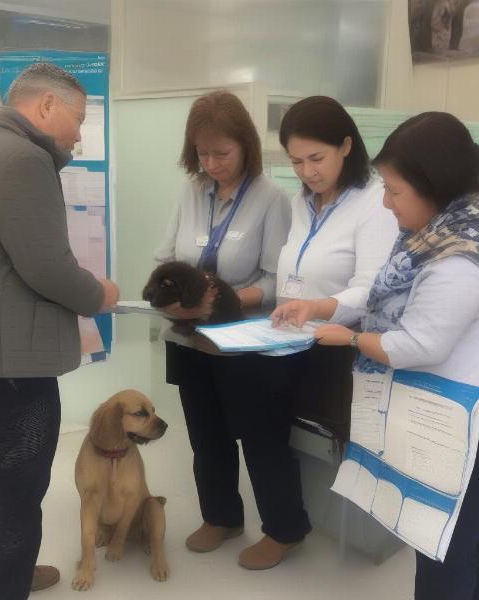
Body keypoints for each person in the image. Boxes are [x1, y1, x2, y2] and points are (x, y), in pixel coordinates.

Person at [0, 63, 119, 600]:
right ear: (46, 105)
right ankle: (5, 587)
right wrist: (101, 294)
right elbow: (48, 268)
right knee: (19, 489)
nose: (81, 132)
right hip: (13, 362)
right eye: (78, 118)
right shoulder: (23, 159)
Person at [282, 112, 479, 600]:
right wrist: (323, 306)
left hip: (454, 418)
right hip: (435, 412)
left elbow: (418, 345)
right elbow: (380, 291)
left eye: (394, 191)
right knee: (435, 544)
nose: (386, 203)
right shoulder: (429, 233)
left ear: (433, 185)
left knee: (450, 554)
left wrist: (348, 339)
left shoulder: (457, 256)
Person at [154, 90, 298, 570]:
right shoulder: (190, 193)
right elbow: (164, 256)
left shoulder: (271, 198)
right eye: (202, 153)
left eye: (222, 153)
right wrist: (174, 297)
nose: (211, 164)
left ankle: (283, 529)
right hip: (192, 339)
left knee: (261, 439)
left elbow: (280, 280)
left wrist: (224, 300)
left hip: (245, 343)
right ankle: (221, 517)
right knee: (206, 436)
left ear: (246, 147)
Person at [269, 96, 399, 442]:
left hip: (342, 357)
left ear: (345, 146)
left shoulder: (376, 201)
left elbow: (371, 290)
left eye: (316, 159)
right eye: (296, 161)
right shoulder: (302, 201)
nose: (307, 171)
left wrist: (316, 307)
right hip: (293, 346)